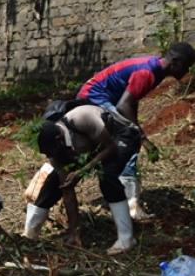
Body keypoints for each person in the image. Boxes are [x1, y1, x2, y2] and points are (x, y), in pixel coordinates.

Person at [77, 42, 195, 219]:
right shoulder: (147, 72)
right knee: (128, 140)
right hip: (93, 96)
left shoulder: (156, 70)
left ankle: (48, 178)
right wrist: (143, 139)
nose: (186, 72)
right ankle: (130, 205)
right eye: (186, 66)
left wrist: (136, 128)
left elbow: (132, 101)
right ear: (176, 62)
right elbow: (124, 104)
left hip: (98, 95)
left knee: (95, 145)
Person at [24, 104, 141, 255]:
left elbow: (110, 147)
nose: (52, 156)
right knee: (53, 184)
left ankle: (127, 238)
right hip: (93, 148)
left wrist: (82, 170)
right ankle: (29, 234)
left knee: (107, 176)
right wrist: (74, 230)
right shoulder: (54, 150)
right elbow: (67, 190)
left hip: (120, 135)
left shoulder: (81, 118)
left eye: (54, 152)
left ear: (59, 139)